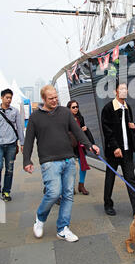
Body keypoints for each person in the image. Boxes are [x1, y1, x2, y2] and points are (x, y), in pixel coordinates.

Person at [23, 85, 100, 242]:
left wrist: (89, 145)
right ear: (43, 99)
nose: (55, 100)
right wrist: (27, 160)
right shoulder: (35, 117)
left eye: (56, 97)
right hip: (49, 162)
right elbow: (29, 140)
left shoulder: (65, 113)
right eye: (51, 98)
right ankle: (40, 218)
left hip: (68, 159)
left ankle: (63, 229)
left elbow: (78, 131)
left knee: (68, 195)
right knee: (53, 193)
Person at [101, 80, 135, 217]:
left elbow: (127, 127)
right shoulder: (108, 108)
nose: (125, 91)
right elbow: (107, 130)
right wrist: (115, 147)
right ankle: (108, 204)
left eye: (126, 89)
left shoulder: (127, 107)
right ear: (115, 92)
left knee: (131, 179)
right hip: (114, 151)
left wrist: (133, 128)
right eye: (122, 88)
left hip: (127, 150)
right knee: (110, 178)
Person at [0, 88, 24, 201]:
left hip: (11, 145)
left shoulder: (14, 111)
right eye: (7, 97)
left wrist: (22, 143)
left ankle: (6, 191)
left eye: (10, 98)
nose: (9, 100)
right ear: (2, 97)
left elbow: (19, 127)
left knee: (9, 169)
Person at [67, 100, 95, 195]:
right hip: (71, 145)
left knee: (83, 165)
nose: (75, 109)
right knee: (71, 167)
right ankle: (71, 186)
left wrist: (84, 129)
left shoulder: (80, 118)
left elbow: (83, 128)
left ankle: (81, 185)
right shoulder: (66, 119)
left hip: (80, 145)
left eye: (77, 107)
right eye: (73, 107)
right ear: (69, 108)